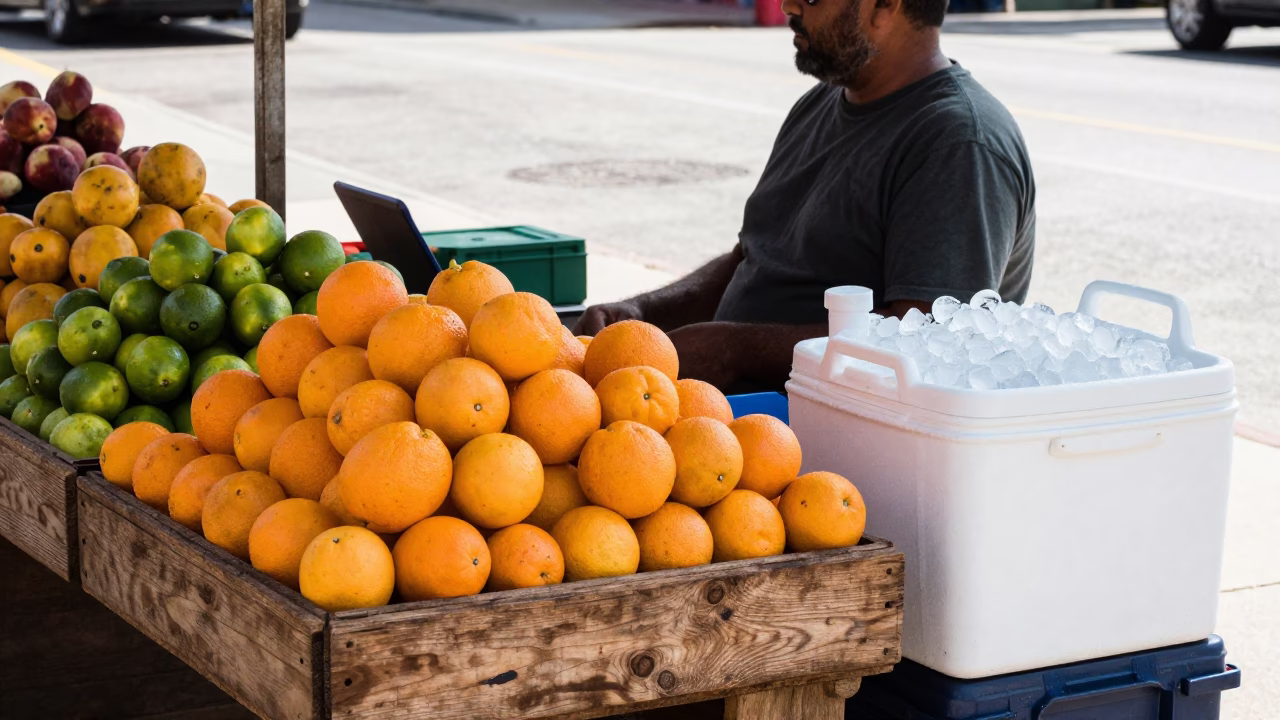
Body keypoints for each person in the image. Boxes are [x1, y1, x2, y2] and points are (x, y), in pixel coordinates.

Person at [575, 0, 1036, 393]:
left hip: (826, 458)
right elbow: (753, 258)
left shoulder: (956, 142)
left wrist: (736, 352)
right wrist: (643, 313)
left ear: (886, 5)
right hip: (726, 422)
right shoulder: (820, 103)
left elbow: (929, 343)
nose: (789, 5)